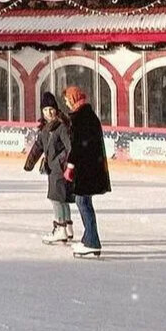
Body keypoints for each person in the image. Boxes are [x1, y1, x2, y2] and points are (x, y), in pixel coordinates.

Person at [61, 85, 110, 258]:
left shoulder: (81, 117)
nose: (66, 104)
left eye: (67, 100)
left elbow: (77, 146)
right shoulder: (88, 114)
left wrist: (71, 166)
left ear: (73, 99)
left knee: (83, 203)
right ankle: (87, 238)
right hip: (91, 167)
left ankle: (92, 242)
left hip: (86, 169)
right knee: (85, 203)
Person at [22, 92, 74, 245]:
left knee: (56, 198)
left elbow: (70, 147)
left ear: (56, 109)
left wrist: (61, 162)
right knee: (61, 198)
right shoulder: (45, 128)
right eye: (45, 110)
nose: (48, 113)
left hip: (59, 168)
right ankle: (67, 227)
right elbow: (38, 147)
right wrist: (29, 163)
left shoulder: (61, 126)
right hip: (52, 168)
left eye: (51, 109)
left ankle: (60, 229)